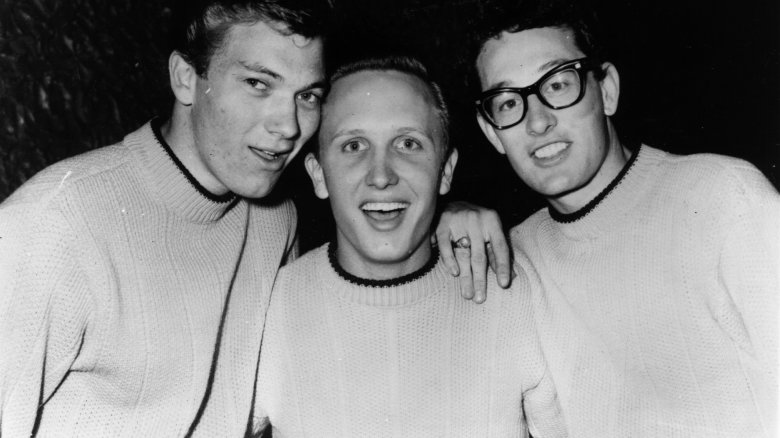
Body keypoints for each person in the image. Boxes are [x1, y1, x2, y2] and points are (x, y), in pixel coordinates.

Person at [0, 1, 505, 436]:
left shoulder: (272, 220)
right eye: (259, 84)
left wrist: (445, 215)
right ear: (185, 79)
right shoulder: (53, 224)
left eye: (307, 95)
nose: (288, 127)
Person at [471, 0, 779, 436]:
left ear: (607, 89)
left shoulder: (723, 196)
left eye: (558, 84)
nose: (537, 122)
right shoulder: (515, 261)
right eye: (507, 103)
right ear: (491, 132)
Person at [250, 55, 567, 437]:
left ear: (445, 171)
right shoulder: (269, 309)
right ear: (318, 175)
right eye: (353, 145)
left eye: (408, 143)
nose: (381, 175)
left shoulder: (516, 292)